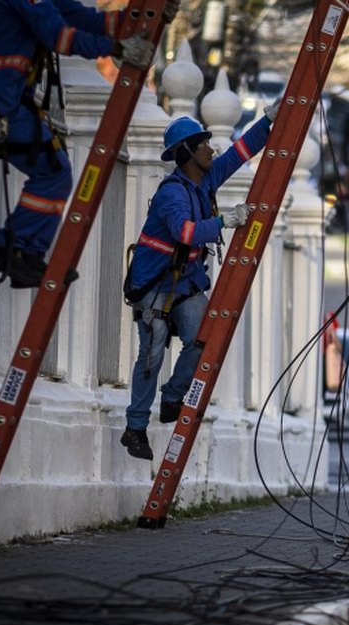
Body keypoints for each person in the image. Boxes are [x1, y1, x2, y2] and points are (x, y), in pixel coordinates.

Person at [0, 0, 174, 288]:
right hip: (1, 104)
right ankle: (12, 249)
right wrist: (115, 48)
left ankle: (24, 252)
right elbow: (60, 36)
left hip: (9, 102)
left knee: (55, 174)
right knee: (52, 174)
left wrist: (144, 21)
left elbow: (85, 18)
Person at [119, 106, 279, 460]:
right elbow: (185, 233)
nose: (212, 149)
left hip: (184, 282)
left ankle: (173, 397)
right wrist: (225, 222)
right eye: (205, 144)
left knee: (203, 336)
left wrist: (268, 120)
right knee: (152, 352)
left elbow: (241, 151)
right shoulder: (172, 193)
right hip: (154, 286)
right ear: (188, 152)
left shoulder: (205, 179)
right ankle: (135, 428)